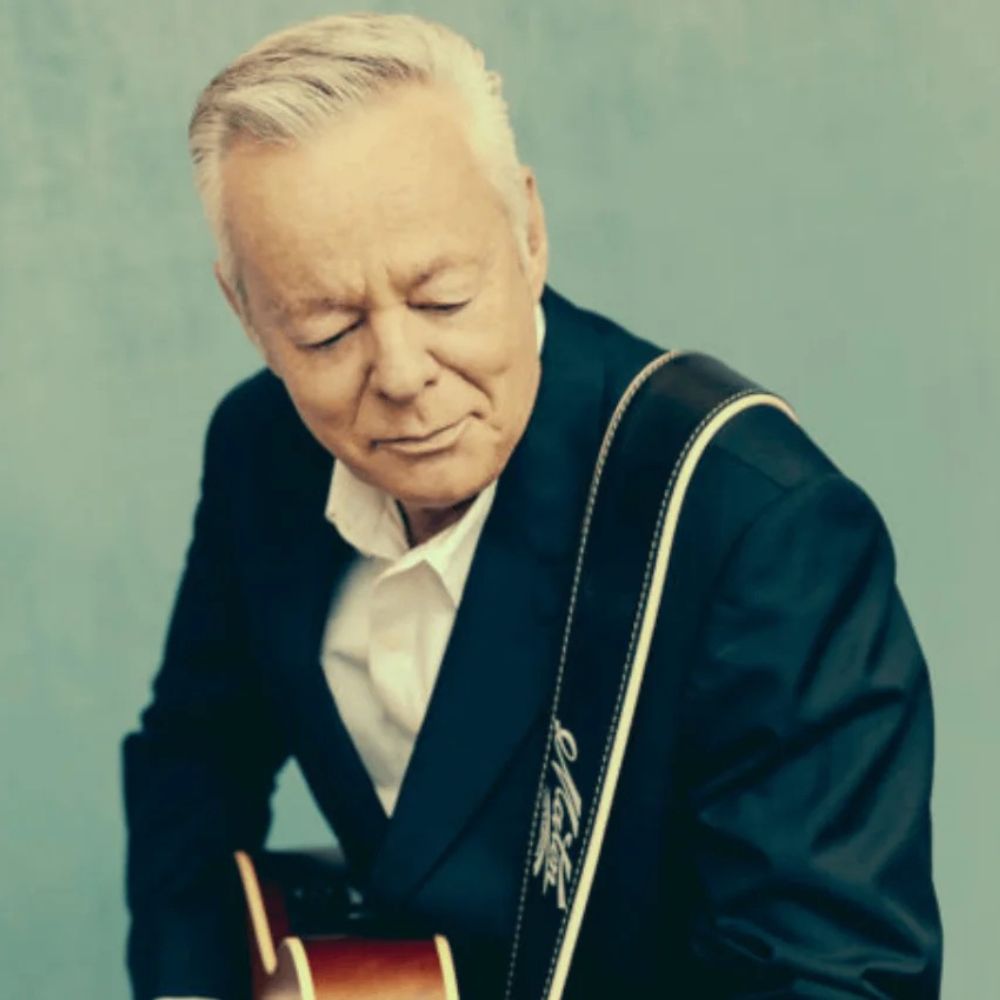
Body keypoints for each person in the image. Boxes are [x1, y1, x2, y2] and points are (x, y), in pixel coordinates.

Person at [121, 13, 942, 1000]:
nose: (402, 374)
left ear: (529, 233)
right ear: (246, 311)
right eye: (327, 329)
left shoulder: (754, 526)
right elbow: (192, 758)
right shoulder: (261, 450)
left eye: (442, 298)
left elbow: (835, 976)